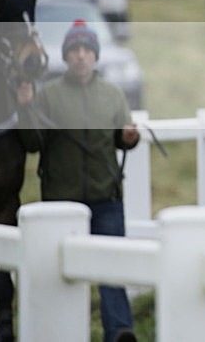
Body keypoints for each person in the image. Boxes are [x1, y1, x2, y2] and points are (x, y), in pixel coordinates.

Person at [17, 20, 139, 342]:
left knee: (112, 271)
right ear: (66, 56)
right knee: (57, 275)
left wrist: (129, 137)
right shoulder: (48, 96)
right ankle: (56, 334)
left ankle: (119, 332)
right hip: (61, 203)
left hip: (106, 199)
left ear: (95, 55)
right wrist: (26, 108)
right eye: (75, 50)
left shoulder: (113, 94)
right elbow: (31, 143)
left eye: (86, 50)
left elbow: (123, 138)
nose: (81, 56)